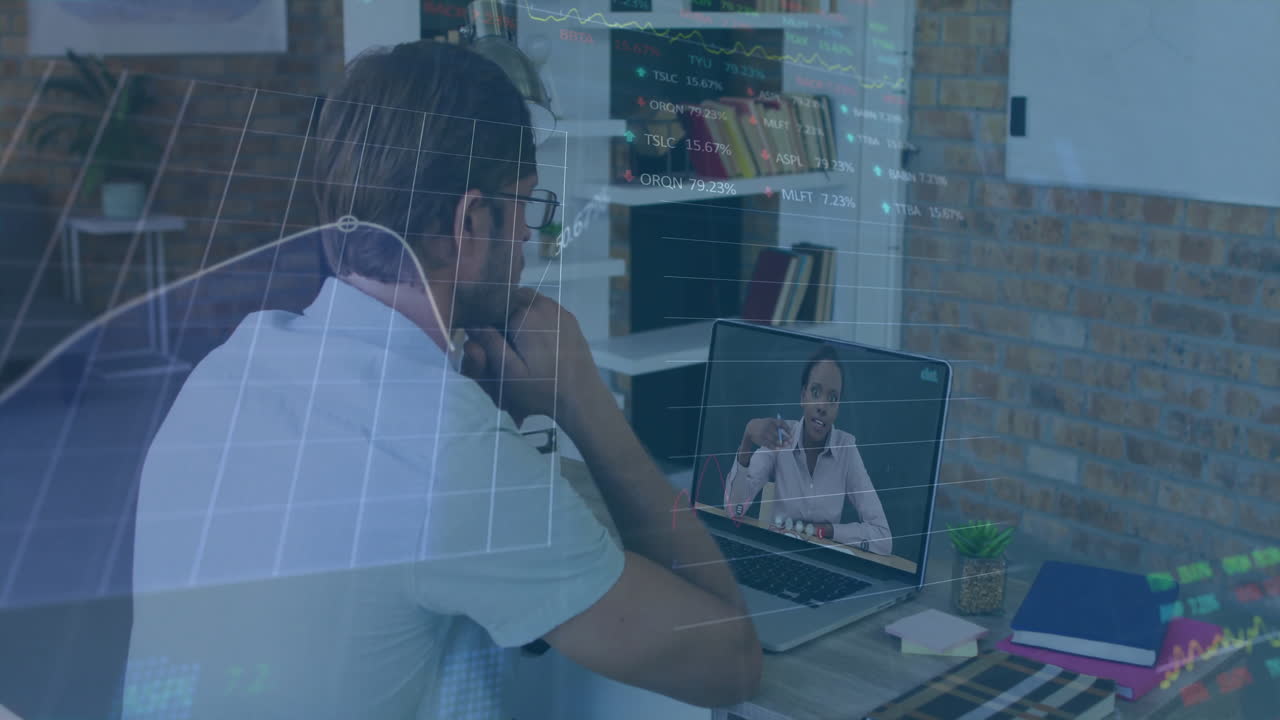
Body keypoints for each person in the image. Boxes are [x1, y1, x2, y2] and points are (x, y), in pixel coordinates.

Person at [126, 40, 759, 719]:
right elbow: (729, 665)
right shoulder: (446, 452)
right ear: (469, 221)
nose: (527, 236)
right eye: (524, 205)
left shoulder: (231, 365)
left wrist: (479, 413)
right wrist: (583, 399)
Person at [724, 344, 893, 555]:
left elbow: (883, 539)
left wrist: (824, 531)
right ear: (803, 396)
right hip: (776, 554)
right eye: (815, 391)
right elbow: (733, 510)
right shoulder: (780, 437)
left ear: (838, 407)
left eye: (832, 398)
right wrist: (747, 438)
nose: (822, 406)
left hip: (825, 561)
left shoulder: (846, 449)